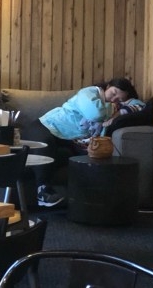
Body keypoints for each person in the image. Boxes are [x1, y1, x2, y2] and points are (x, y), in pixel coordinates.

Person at [25, 77, 139, 207]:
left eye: (119, 99)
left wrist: (122, 108)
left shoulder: (113, 107)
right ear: (107, 87)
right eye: (113, 93)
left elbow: (139, 105)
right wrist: (115, 108)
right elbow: (95, 114)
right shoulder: (90, 92)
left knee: (68, 156)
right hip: (46, 126)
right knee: (45, 144)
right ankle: (43, 192)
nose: (114, 100)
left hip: (69, 139)